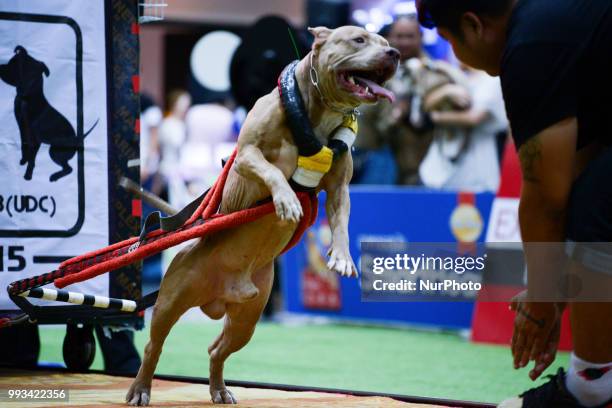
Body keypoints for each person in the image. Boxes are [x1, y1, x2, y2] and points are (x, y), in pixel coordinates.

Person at [416, 0, 612, 406]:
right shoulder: (562, 23)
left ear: (473, 24)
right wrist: (552, 290)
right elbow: (584, 159)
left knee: (593, 209)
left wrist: (540, 303)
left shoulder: (529, 44)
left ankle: (593, 388)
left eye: (451, 41)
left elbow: (545, 197)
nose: (456, 55)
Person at [357, 14, 467, 185]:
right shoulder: (374, 74)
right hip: (378, 166)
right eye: (399, 36)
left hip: (426, 169)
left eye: (410, 36)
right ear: (390, 38)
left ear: (420, 37)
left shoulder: (438, 73)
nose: (404, 42)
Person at [419, 65, 506, 191]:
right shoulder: (449, 75)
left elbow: (474, 118)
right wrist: (446, 91)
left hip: (477, 168)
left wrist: (437, 117)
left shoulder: (492, 79)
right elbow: (426, 105)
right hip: (438, 168)